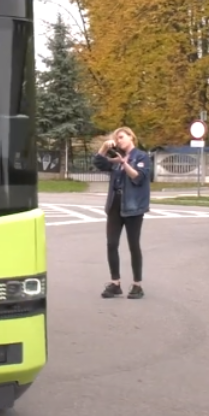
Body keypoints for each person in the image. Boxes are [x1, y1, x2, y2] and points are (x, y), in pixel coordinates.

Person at [93, 126, 151, 299]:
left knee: (134, 245)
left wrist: (124, 163)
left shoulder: (141, 157)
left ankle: (137, 284)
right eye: (116, 138)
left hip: (133, 207)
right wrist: (104, 147)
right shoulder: (115, 159)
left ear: (131, 137)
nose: (119, 140)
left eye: (122, 137)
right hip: (115, 205)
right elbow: (98, 163)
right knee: (111, 244)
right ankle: (115, 283)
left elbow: (138, 177)